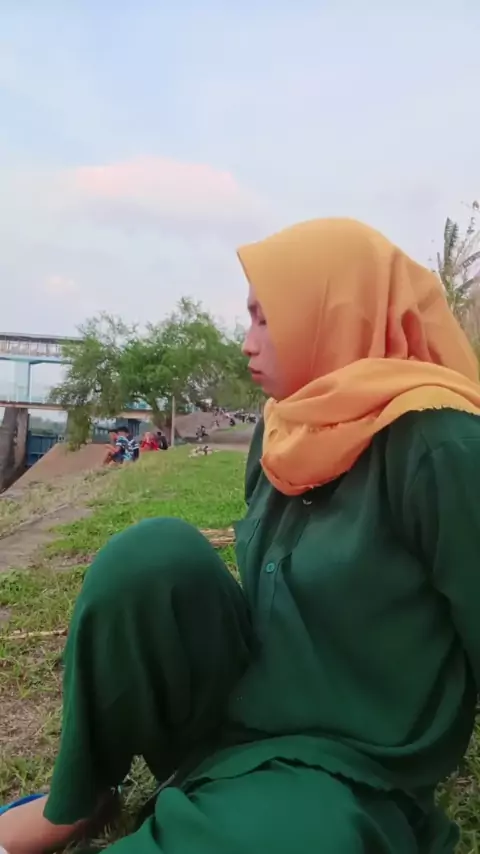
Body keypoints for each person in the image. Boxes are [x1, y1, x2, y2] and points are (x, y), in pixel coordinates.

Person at [3, 217, 480, 854]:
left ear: (333, 318)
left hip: (347, 765)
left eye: (265, 319)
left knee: (284, 835)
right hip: (242, 705)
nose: (247, 343)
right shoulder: (287, 427)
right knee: (148, 559)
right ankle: (80, 798)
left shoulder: (441, 444)